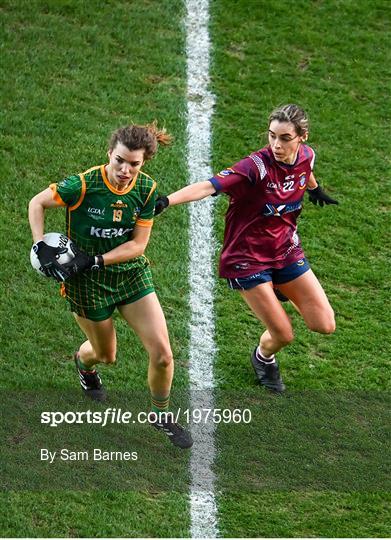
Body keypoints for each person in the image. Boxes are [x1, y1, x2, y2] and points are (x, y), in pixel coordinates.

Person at [28, 122, 193, 448]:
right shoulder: (84, 185)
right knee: (106, 355)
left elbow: (137, 246)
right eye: (120, 160)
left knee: (162, 356)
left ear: (143, 162)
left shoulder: (145, 190)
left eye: (134, 164)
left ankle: (160, 415)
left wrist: (95, 259)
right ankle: (84, 364)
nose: (125, 170)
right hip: (86, 284)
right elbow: (37, 203)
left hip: (129, 275)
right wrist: (40, 245)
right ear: (110, 154)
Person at [155, 104, 338, 392]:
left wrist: (314, 189)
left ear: (302, 136)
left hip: (286, 250)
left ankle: (277, 285)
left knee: (324, 324)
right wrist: (166, 201)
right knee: (284, 334)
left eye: (285, 138)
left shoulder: (307, 155)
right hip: (247, 259)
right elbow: (209, 186)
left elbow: (306, 169)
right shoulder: (255, 167)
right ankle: (263, 357)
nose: (277, 145)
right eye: (272, 136)